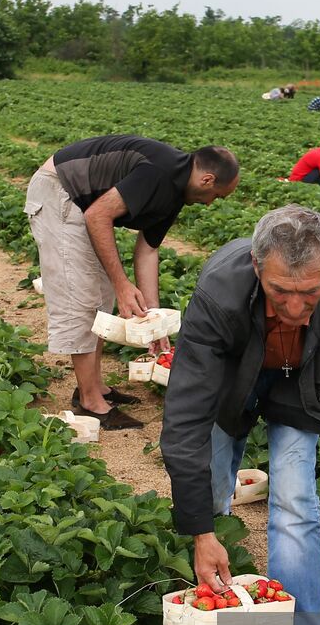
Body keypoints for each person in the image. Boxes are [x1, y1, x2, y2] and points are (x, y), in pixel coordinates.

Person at [161, 204, 320, 625]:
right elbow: (186, 410)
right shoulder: (220, 293)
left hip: (303, 383)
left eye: (310, 292)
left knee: (295, 501)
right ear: (256, 267)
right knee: (211, 486)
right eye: (279, 291)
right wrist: (201, 531)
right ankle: (212, 572)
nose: (294, 307)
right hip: (233, 375)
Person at [25, 135, 240, 429]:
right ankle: (90, 402)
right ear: (207, 180)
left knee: (101, 297)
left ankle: (95, 387)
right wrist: (123, 284)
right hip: (60, 190)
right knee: (83, 296)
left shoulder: (176, 190)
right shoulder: (160, 173)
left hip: (79, 201)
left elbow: (147, 250)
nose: (211, 203)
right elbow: (97, 215)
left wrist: (153, 320)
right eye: (218, 195)